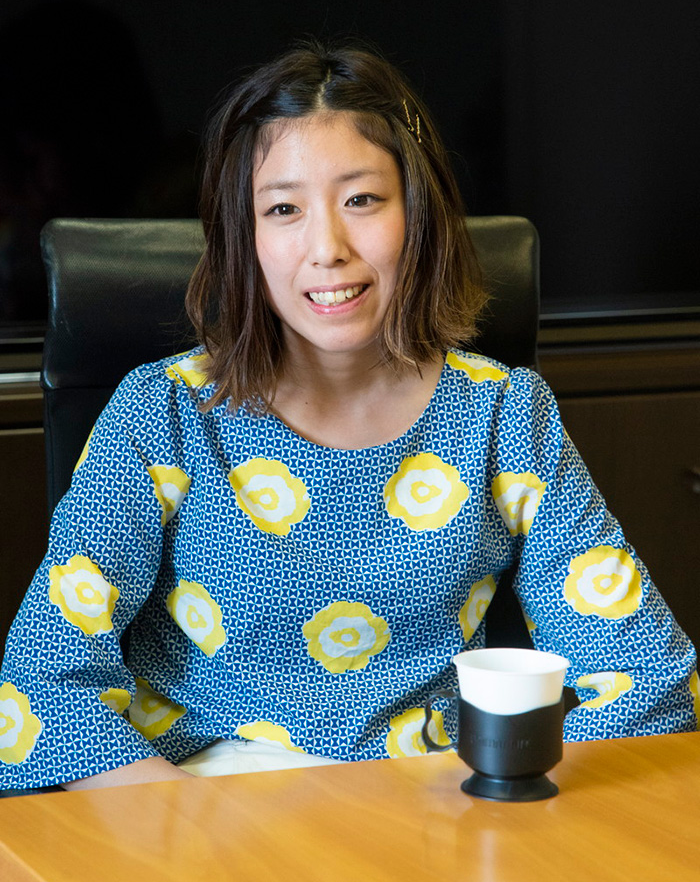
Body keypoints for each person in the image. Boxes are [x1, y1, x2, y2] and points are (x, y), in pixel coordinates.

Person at [1, 42, 697, 792]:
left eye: (361, 200)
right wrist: (186, 829)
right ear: (244, 236)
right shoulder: (163, 411)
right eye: (283, 209)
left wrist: (510, 800)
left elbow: (651, 678)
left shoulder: (502, 413)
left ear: (418, 213)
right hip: (208, 796)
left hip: (427, 800)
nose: (327, 248)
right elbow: (43, 680)